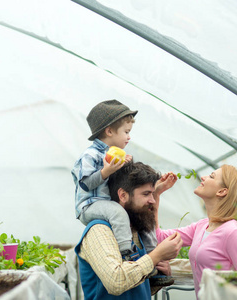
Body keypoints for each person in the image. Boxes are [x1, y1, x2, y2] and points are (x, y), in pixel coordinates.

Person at [71, 99, 171, 286]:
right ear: (109, 131)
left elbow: (120, 182)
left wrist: (124, 165)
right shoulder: (90, 155)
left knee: (143, 222)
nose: (129, 137)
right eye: (126, 132)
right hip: (90, 205)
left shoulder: (113, 153)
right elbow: (85, 184)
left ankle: (154, 258)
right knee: (118, 212)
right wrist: (106, 171)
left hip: (106, 204)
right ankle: (127, 253)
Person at [75, 162, 183, 299]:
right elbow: (116, 282)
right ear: (123, 195)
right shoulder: (99, 231)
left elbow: (135, 290)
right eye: (146, 194)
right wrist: (155, 256)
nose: (152, 201)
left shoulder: (136, 232)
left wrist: (160, 274)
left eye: (153, 194)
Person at [154, 164, 237, 298]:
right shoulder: (202, 226)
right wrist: (156, 194)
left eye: (211, 176)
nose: (203, 177)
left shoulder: (233, 233)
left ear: (222, 191)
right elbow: (158, 237)